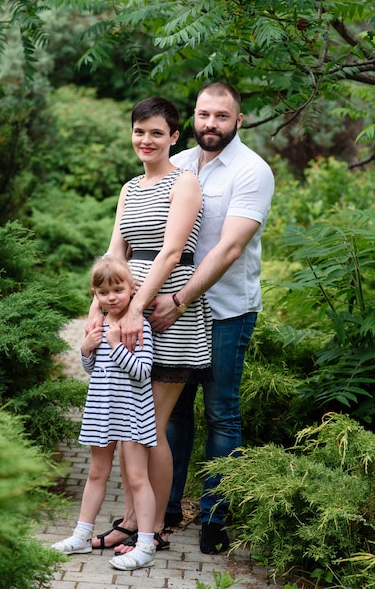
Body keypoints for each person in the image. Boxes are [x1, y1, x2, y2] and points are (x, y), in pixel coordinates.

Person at [146, 82, 275, 555]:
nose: (211, 124)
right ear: (192, 119)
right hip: (173, 312)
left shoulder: (252, 171)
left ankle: (217, 518)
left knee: (221, 414)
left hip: (224, 311)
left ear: (239, 120)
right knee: (175, 414)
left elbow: (229, 248)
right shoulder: (177, 165)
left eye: (222, 116)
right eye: (203, 115)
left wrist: (177, 298)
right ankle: (169, 507)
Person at [86, 96, 212, 553]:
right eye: (140, 131)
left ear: (175, 137)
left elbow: (171, 253)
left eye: (157, 132)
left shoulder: (186, 182)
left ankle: (153, 529)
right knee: (127, 428)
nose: (146, 140)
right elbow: (116, 251)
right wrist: (96, 311)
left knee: (149, 428)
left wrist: (137, 307)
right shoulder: (129, 188)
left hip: (166, 316)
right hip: (128, 311)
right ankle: (130, 523)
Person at [51, 255, 157, 570]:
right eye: (103, 292)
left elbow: (142, 371)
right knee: (96, 473)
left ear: (132, 289)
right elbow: (94, 368)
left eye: (118, 289)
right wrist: (86, 348)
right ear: (95, 295)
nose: (112, 297)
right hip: (102, 409)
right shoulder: (101, 324)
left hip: (132, 411)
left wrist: (117, 345)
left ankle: (146, 545)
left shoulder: (139, 327)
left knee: (138, 477)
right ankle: (82, 536)